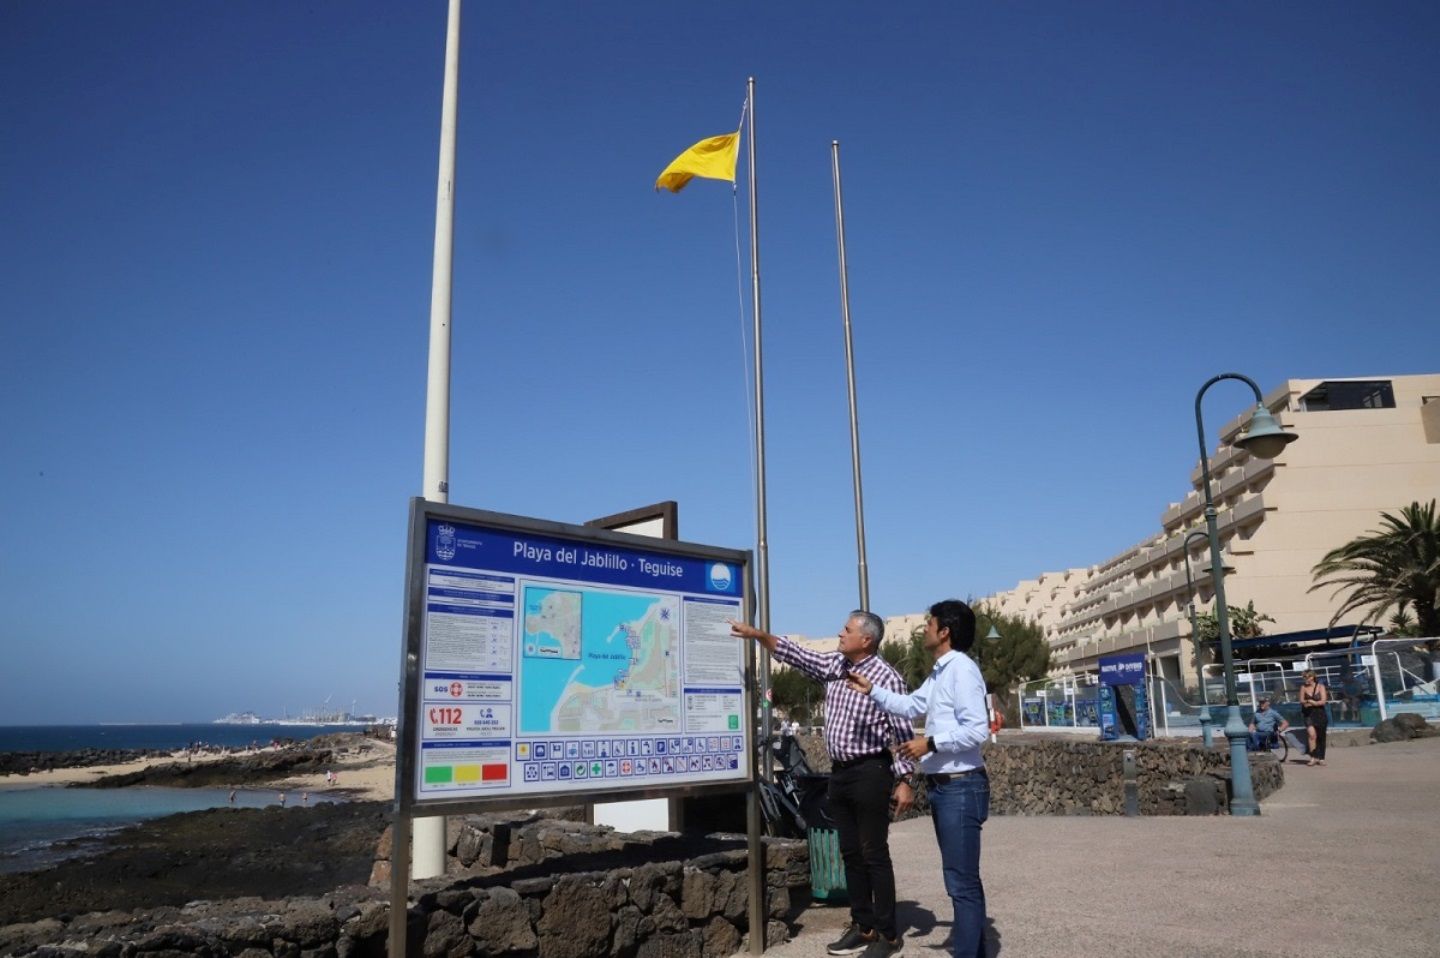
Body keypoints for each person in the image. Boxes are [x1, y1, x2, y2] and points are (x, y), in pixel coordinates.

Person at [730, 612, 916, 958]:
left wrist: (905, 779)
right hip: (841, 773)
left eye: (847, 630)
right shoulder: (835, 665)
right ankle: (864, 925)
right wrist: (757, 634)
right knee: (850, 852)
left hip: (872, 771)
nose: (839, 633)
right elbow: (793, 652)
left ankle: (889, 936)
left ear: (867, 640)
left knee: (873, 852)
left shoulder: (886, 678)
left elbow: (903, 732)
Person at [845, 600, 991, 958]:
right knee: (960, 880)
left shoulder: (962, 670)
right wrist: (872, 691)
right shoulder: (942, 670)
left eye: (930, 623)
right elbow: (911, 704)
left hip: (961, 786)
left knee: (961, 883)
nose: (924, 627)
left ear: (945, 632)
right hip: (945, 787)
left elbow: (978, 729)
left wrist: (931, 742)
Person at [1299, 670, 1329, 766]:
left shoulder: (1320, 686)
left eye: (1307, 677)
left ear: (1313, 677)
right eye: (1304, 677)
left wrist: (1314, 703)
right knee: (1312, 735)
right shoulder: (1303, 687)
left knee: (1321, 736)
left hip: (1320, 714)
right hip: (1308, 714)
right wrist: (1308, 701)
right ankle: (1313, 757)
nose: (1305, 679)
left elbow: (1323, 701)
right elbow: (1301, 700)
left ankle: (1321, 758)